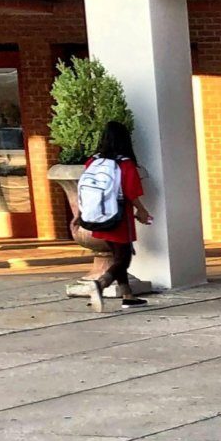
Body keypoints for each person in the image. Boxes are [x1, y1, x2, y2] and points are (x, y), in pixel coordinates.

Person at [84, 120, 151, 313]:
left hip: (98, 216)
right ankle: (101, 284)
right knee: (124, 258)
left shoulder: (93, 161)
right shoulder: (124, 163)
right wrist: (142, 210)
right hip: (119, 216)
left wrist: (80, 214)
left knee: (117, 256)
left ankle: (128, 296)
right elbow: (131, 192)